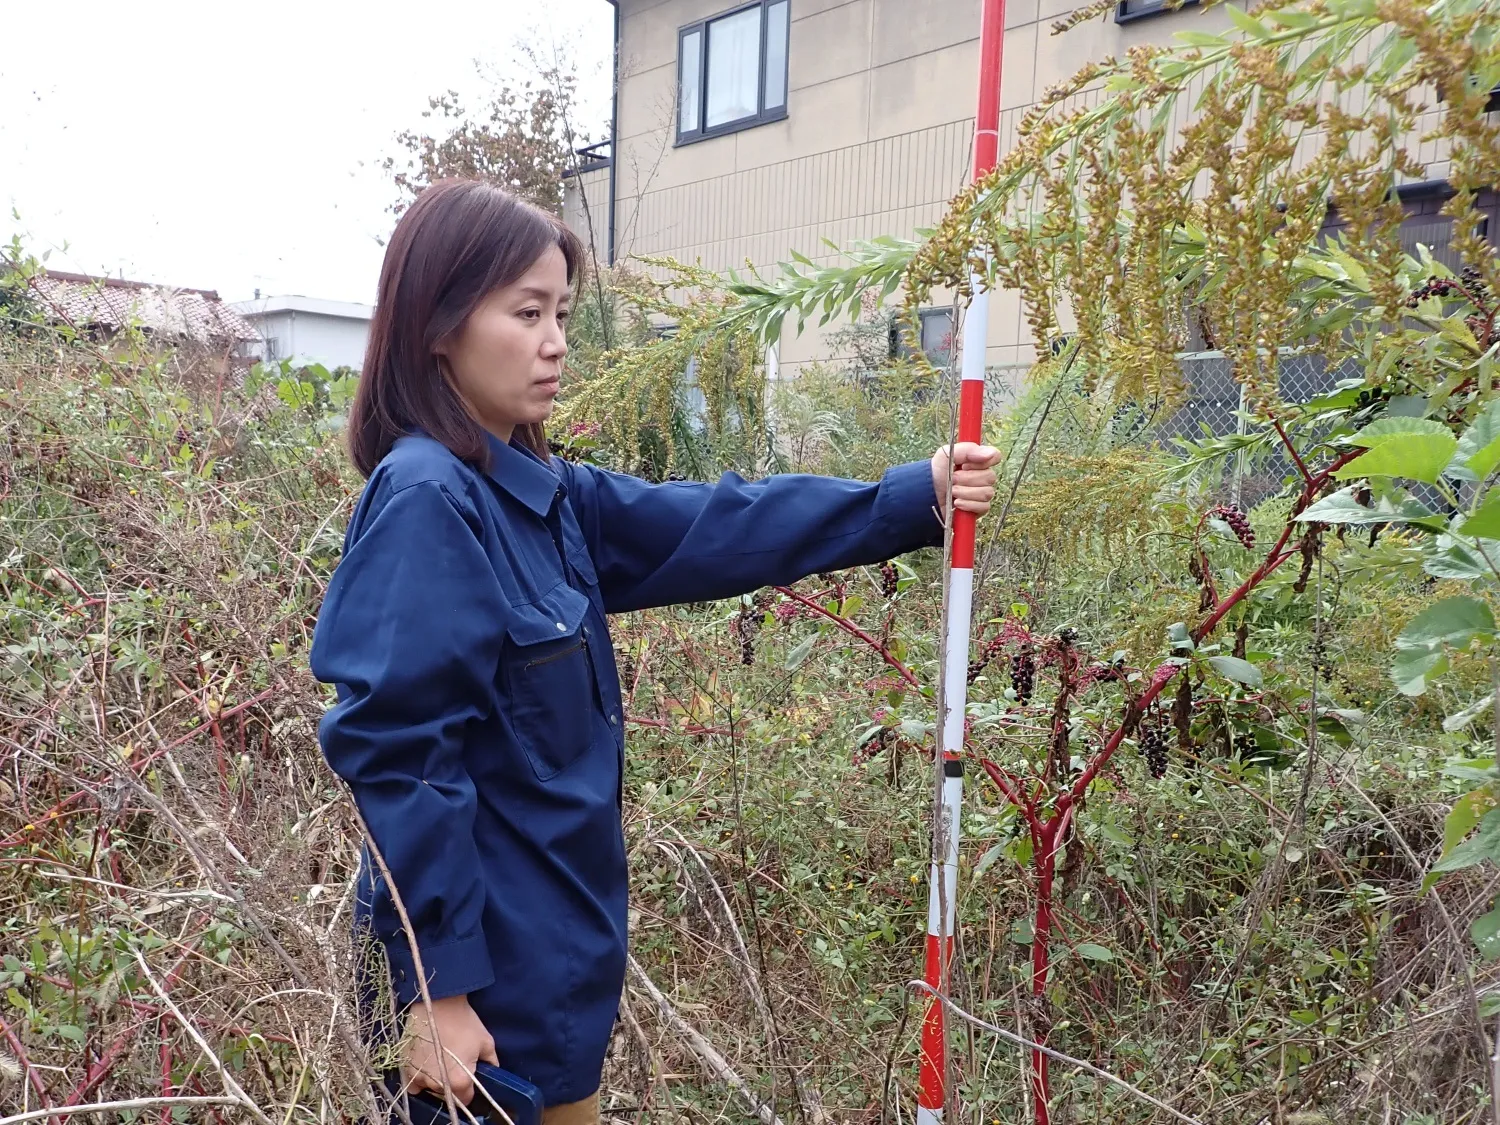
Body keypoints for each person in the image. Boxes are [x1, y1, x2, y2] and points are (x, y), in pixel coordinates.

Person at [309, 179, 1003, 1125]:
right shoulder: (432, 499)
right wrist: (436, 990)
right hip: (480, 997)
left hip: (553, 977)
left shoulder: (542, 492)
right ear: (439, 325)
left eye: (561, 312)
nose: (555, 340)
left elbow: (717, 524)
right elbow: (401, 756)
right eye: (526, 312)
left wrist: (907, 495)